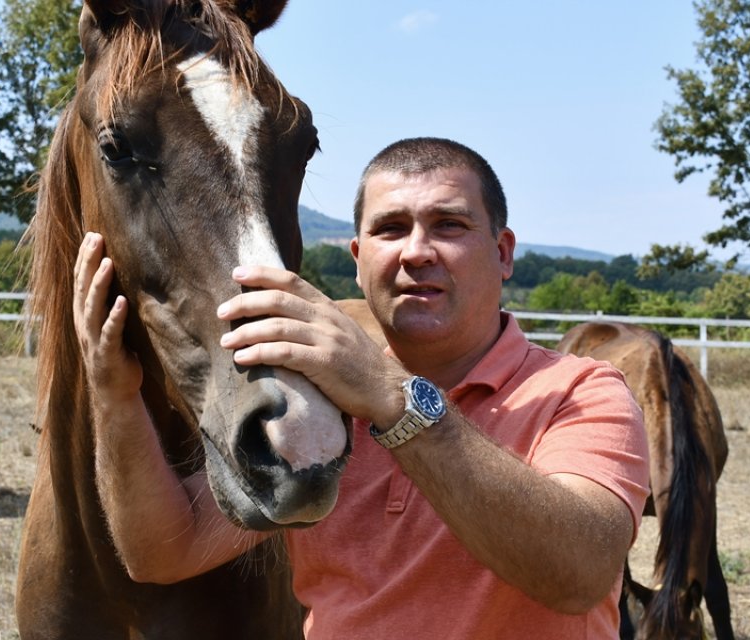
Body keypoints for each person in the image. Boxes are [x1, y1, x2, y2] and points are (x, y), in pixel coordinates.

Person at [74, 137, 650, 638]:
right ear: (357, 259)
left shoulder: (582, 391)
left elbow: (579, 573)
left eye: (449, 224)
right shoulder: (321, 409)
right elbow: (163, 551)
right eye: (389, 229)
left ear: (502, 254)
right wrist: (116, 398)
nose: (416, 251)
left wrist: (390, 398)